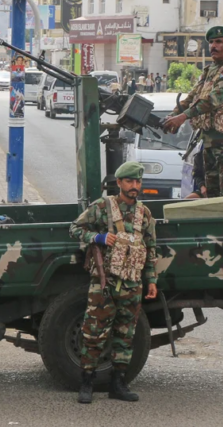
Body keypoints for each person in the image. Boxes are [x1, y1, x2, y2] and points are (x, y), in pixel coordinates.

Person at [69, 161, 158, 404]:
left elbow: (151, 248)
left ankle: (118, 384)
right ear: (119, 183)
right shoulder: (102, 207)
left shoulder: (144, 213)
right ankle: (86, 382)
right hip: (104, 282)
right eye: (129, 181)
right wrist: (97, 237)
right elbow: (74, 228)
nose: (134, 186)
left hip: (132, 283)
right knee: (94, 333)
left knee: (125, 334)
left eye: (137, 182)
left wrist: (151, 280)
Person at [162, 26, 223, 198]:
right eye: (211, 42)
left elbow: (213, 100)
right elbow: (192, 97)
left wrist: (182, 117)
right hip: (209, 145)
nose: (213, 46)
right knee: (211, 196)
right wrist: (172, 116)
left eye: (219, 42)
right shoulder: (210, 71)